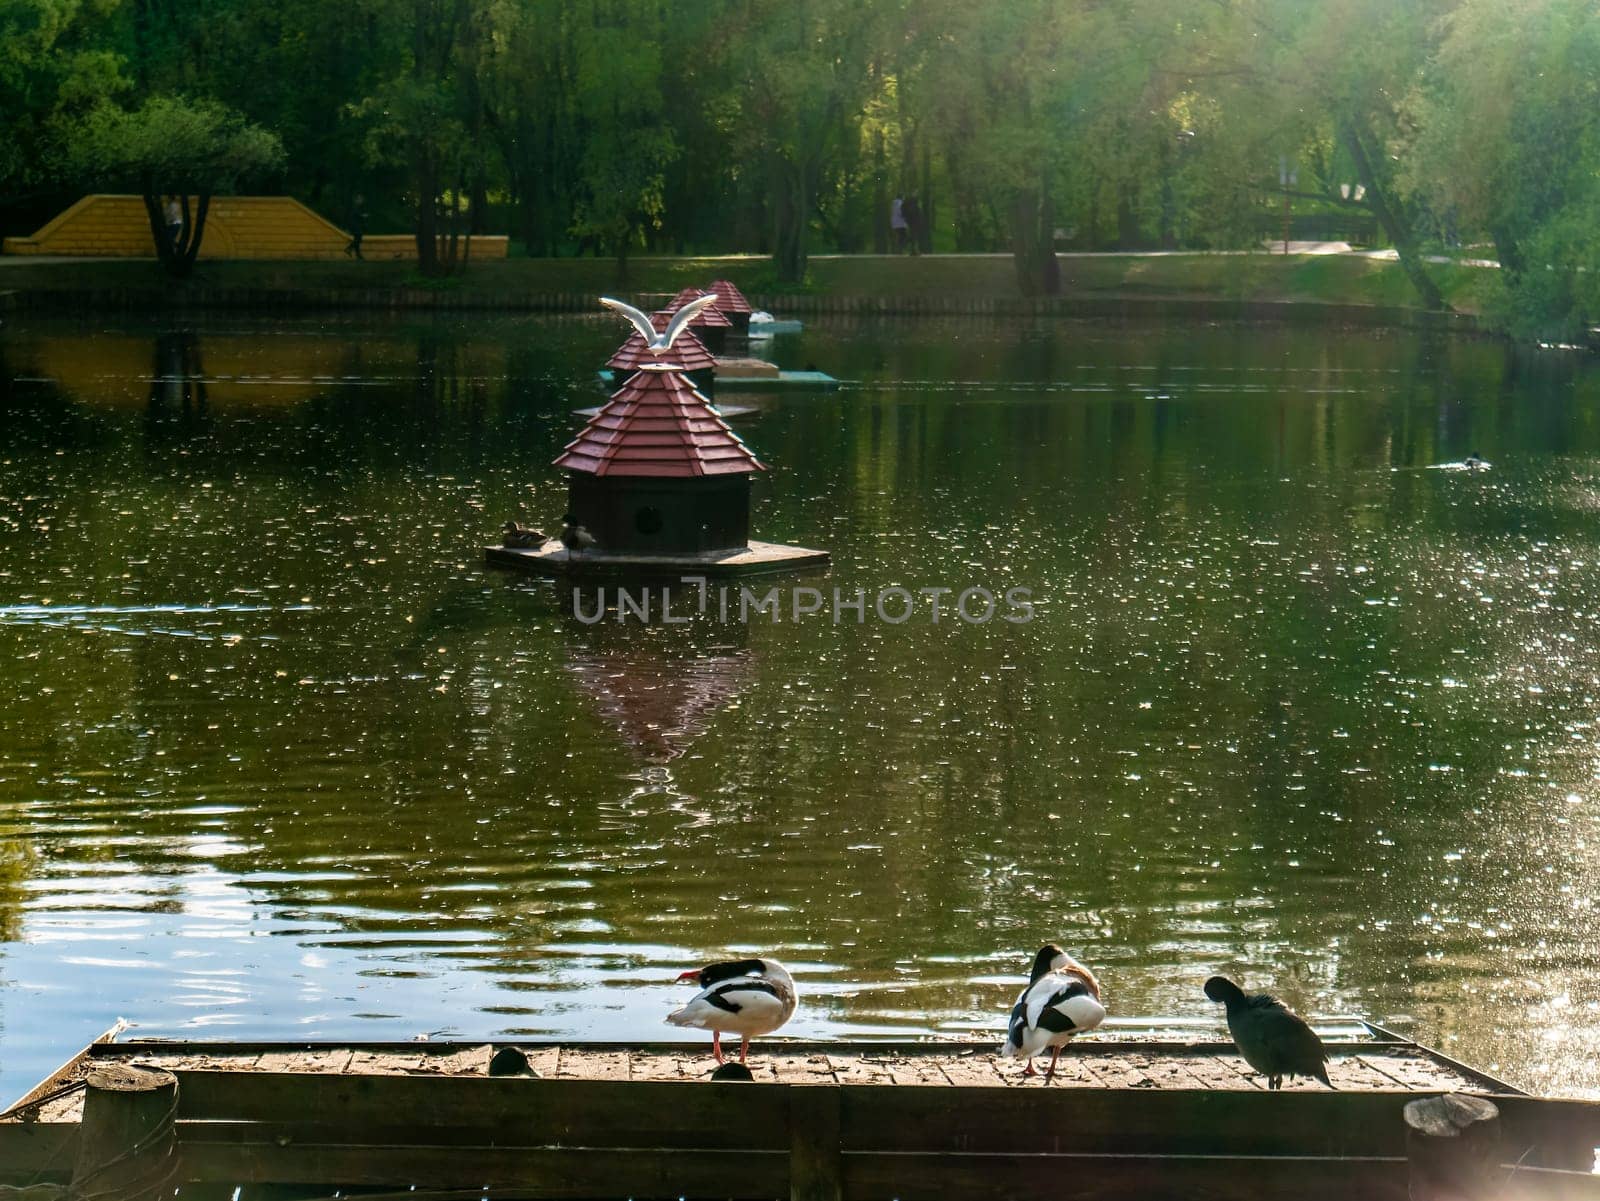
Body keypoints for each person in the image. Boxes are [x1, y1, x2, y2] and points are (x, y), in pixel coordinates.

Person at [345, 193, 366, 260]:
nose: (362, 200)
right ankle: (348, 249)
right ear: (357, 199)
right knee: (359, 238)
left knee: (357, 239)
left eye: (362, 199)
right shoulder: (355, 206)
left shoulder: (357, 206)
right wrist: (363, 216)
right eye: (360, 199)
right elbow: (356, 215)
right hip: (354, 225)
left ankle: (358, 255)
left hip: (354, 225)